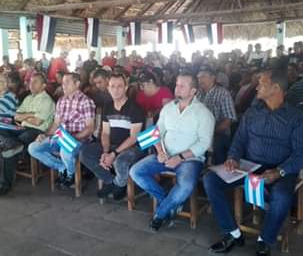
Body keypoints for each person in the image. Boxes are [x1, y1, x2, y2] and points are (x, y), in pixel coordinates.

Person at [204, 68, 303, 256]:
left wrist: (279, 172)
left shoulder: (296, 117)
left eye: (262, 83)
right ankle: (233, 233)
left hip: (280, 168)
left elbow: (301, 153)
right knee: (210, 180)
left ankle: (265, 240)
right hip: (249, 164)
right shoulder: (253, 112)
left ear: (276, 88)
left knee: (282, 195)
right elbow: (240, 140)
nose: (257, 87)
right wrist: (232, 158)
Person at [129, 73, 215, 231]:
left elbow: (204, 143)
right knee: (135, 171)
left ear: (193, 91)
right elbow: (156, 132)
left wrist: (180, 157)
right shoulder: (168, 109)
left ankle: (161, 213)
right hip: (166, 155)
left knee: (186, 185)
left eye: (183, 86)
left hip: (190, 159)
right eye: (177, 85)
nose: (178, 88)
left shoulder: (203, 113)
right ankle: (169, 202)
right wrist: (160, 151)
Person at [80, 74, 145, 200]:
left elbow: (133, 138)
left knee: (119, 161)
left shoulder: (134, 108)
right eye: (112, 86)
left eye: (120, 86)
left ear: (126, 88)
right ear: (108, 88)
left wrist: (113, 154)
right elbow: (105, 133)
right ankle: (111, 181)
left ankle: (119, 184)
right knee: (84, 153)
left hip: (132, 147)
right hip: (112, 146)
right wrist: (105, 152)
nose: (116, 90)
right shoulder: (108, 106)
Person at [0, 73, 55, 196]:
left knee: (10, 146)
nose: (31, 84)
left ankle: (5, 184)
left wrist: (26, 116)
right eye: (30, 81)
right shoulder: (28, 98)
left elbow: (37, 122)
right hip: (21, 127)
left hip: (36, 131)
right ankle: (14, 145)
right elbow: (16, 115)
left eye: (35, 82)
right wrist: (31, 114)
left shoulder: (47, 100)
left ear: (43, 86)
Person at [28, 73, 95, 187]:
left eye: (67, 82)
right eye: (63, 83)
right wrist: (44, 134)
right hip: (60, 137)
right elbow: (56, 124)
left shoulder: (85, 101)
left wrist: (72, 138)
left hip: (79, 139)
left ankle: (70, 174)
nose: (63, 85)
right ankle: (62, 167)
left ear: (77, 84)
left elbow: (89, 128)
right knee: (33, 147)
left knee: (65, 150)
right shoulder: (61, 101)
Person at [197, 66, 237, 164]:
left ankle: (214, 169)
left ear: (213, 78)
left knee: (216, 142)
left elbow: (229, 120)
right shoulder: (198, 93)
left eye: (203, 76)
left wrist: (210, 131)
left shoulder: (223, 93)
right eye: (198, 77)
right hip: (199, 131)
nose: (200, 80)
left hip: (218, 133)